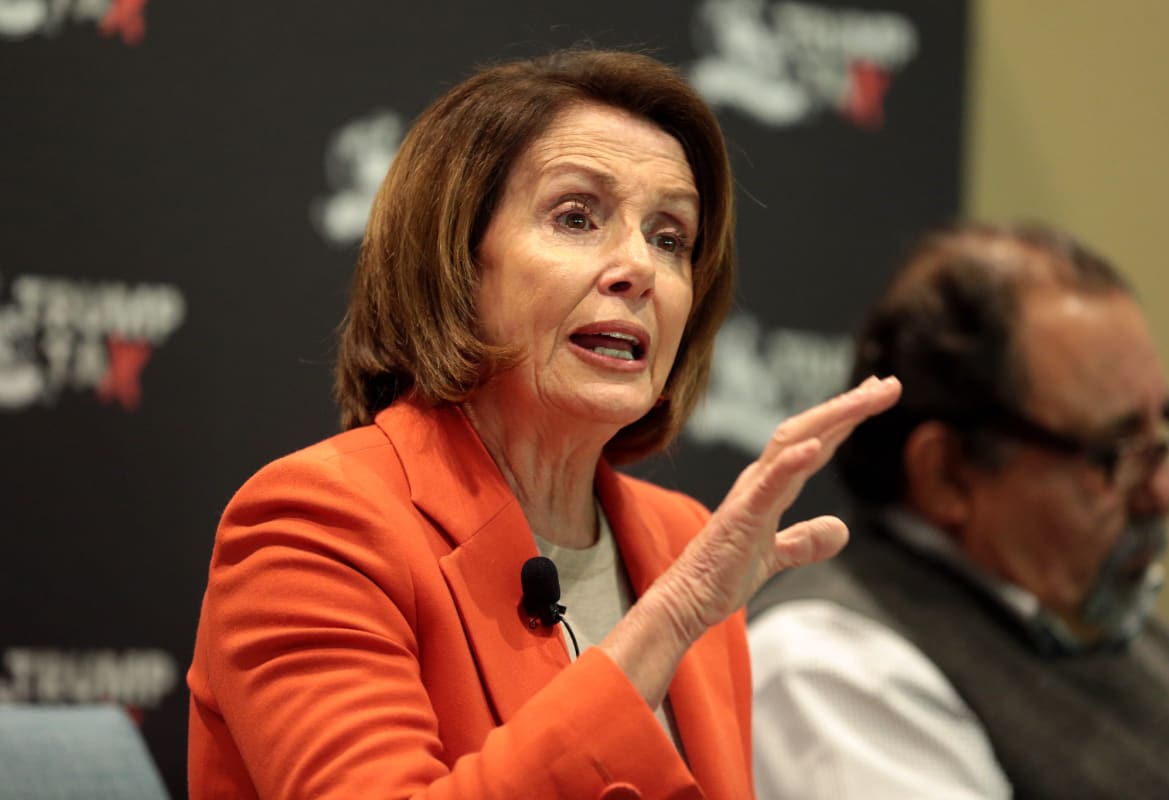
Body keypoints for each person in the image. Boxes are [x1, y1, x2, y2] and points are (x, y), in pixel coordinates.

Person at [186, 48, 901, 799]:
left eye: (670, 238)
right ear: (456, 258)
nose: (639, 269)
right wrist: (675, 615)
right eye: (576, 218)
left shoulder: (682, 539)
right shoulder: (318, 525)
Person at [749, 221, 1169, 800]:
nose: (1163, 493)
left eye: (1163, 433)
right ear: (948, 474)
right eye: (1117, 453)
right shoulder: (831, 669)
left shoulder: (1118, 633)